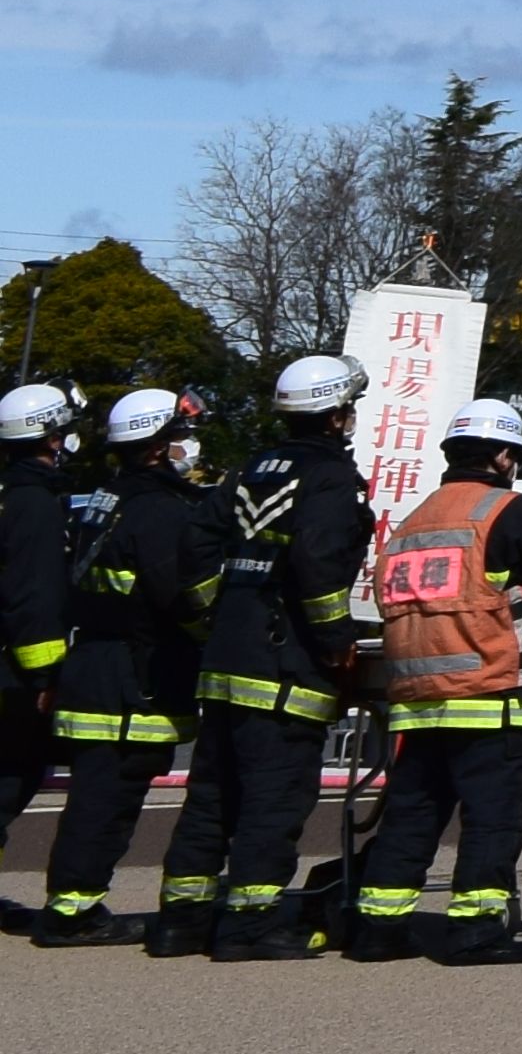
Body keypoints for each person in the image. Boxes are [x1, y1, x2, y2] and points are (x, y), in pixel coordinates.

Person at [345, 399, 522, 966]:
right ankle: (475, 930)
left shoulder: (413, 523)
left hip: (418, 702)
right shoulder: (505, 510)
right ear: (503, 456)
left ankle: (378, 928)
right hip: (493, 695)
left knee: (412, 814)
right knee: (493, 818)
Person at [153, 354, 371, 957]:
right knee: (273, 797)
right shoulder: (330, 478)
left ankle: (183, 920)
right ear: (334, 416)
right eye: (347, 408)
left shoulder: (253, 468)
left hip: (227, 657)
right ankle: (251, 924)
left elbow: (196, 543)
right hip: (284, 664)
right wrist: (336, 643)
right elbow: (320, 567)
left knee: (212, 794)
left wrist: (210, 617)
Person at [30, 390, 210, 944]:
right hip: (133, 679)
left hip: (96, 665)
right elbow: (176, 596)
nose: (188, 446)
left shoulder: (107, 498)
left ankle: (72, 904)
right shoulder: (159, 510)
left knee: (96, 796)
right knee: (107, 801)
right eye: (179, 435)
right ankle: (72, 914)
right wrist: (221, 632)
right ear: (157, 446)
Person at [1, 382, 73, 857]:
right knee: (13, 775)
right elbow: (35, 594)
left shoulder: (11, 494)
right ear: (50, 437)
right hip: (14, 675)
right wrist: (45, 675)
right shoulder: (36, 504)